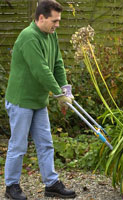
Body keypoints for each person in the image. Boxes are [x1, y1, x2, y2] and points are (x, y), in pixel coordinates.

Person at [4, 0, 76, 199]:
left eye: (59, 21)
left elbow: (57, 64)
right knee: (18, 145)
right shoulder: (29, 37)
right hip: (21, 101)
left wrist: (65, 90)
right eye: (55, 20)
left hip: (38, 101)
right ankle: (11, 186)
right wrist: (58, 94)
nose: (58, 25)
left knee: (46, 143)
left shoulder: (50, 35)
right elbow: (41, 70)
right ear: (41, 17)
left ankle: (51, 183)